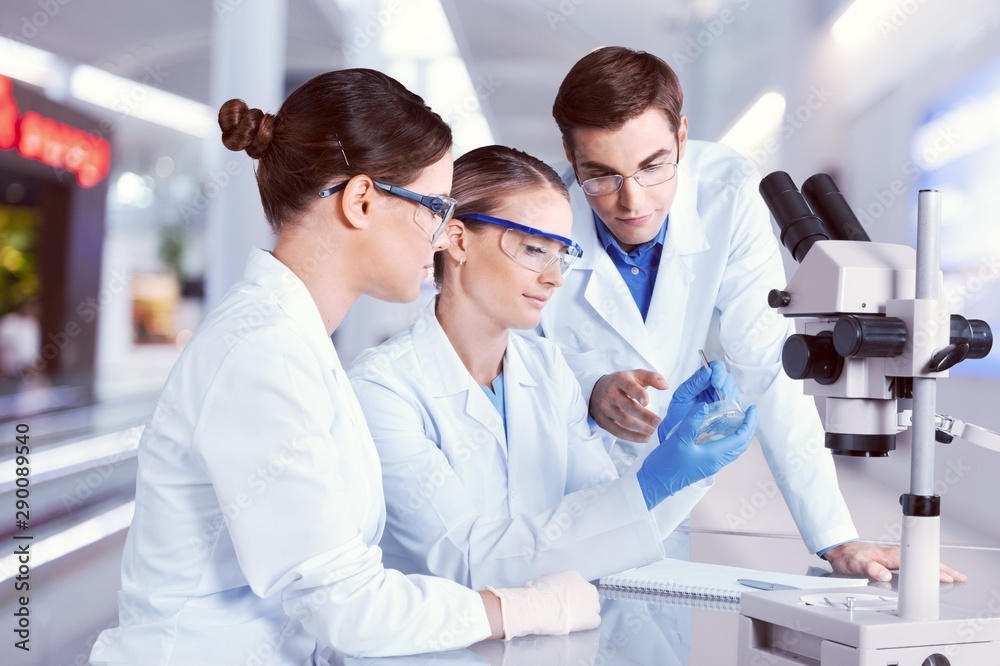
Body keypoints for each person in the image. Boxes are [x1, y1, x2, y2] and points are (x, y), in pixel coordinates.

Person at [90, 70, 601, 666]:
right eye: (435, 208)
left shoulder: (298, 342)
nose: (442, 238)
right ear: (362, 201)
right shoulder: (262, 354)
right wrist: (526, 610)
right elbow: (346, 607)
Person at [538, 46, 964, 582]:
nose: (631, 200)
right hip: (550, 492)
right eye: (599, 175)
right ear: (570, 158)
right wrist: (587, 387)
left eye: (653, 167)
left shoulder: (727, 191)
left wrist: (834, 536)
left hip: (667, 490)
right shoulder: (540, 213)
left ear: (683, 138)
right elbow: (507, 351)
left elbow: (768, 362)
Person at [348, 144, 758, 589]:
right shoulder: (383, 389)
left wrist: (672, 457)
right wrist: (653, 481)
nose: (555, 276)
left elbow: (604, 535)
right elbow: (466, 558)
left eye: (560, 253)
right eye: (532, 249)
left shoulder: (547, 369)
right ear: (458, 240)